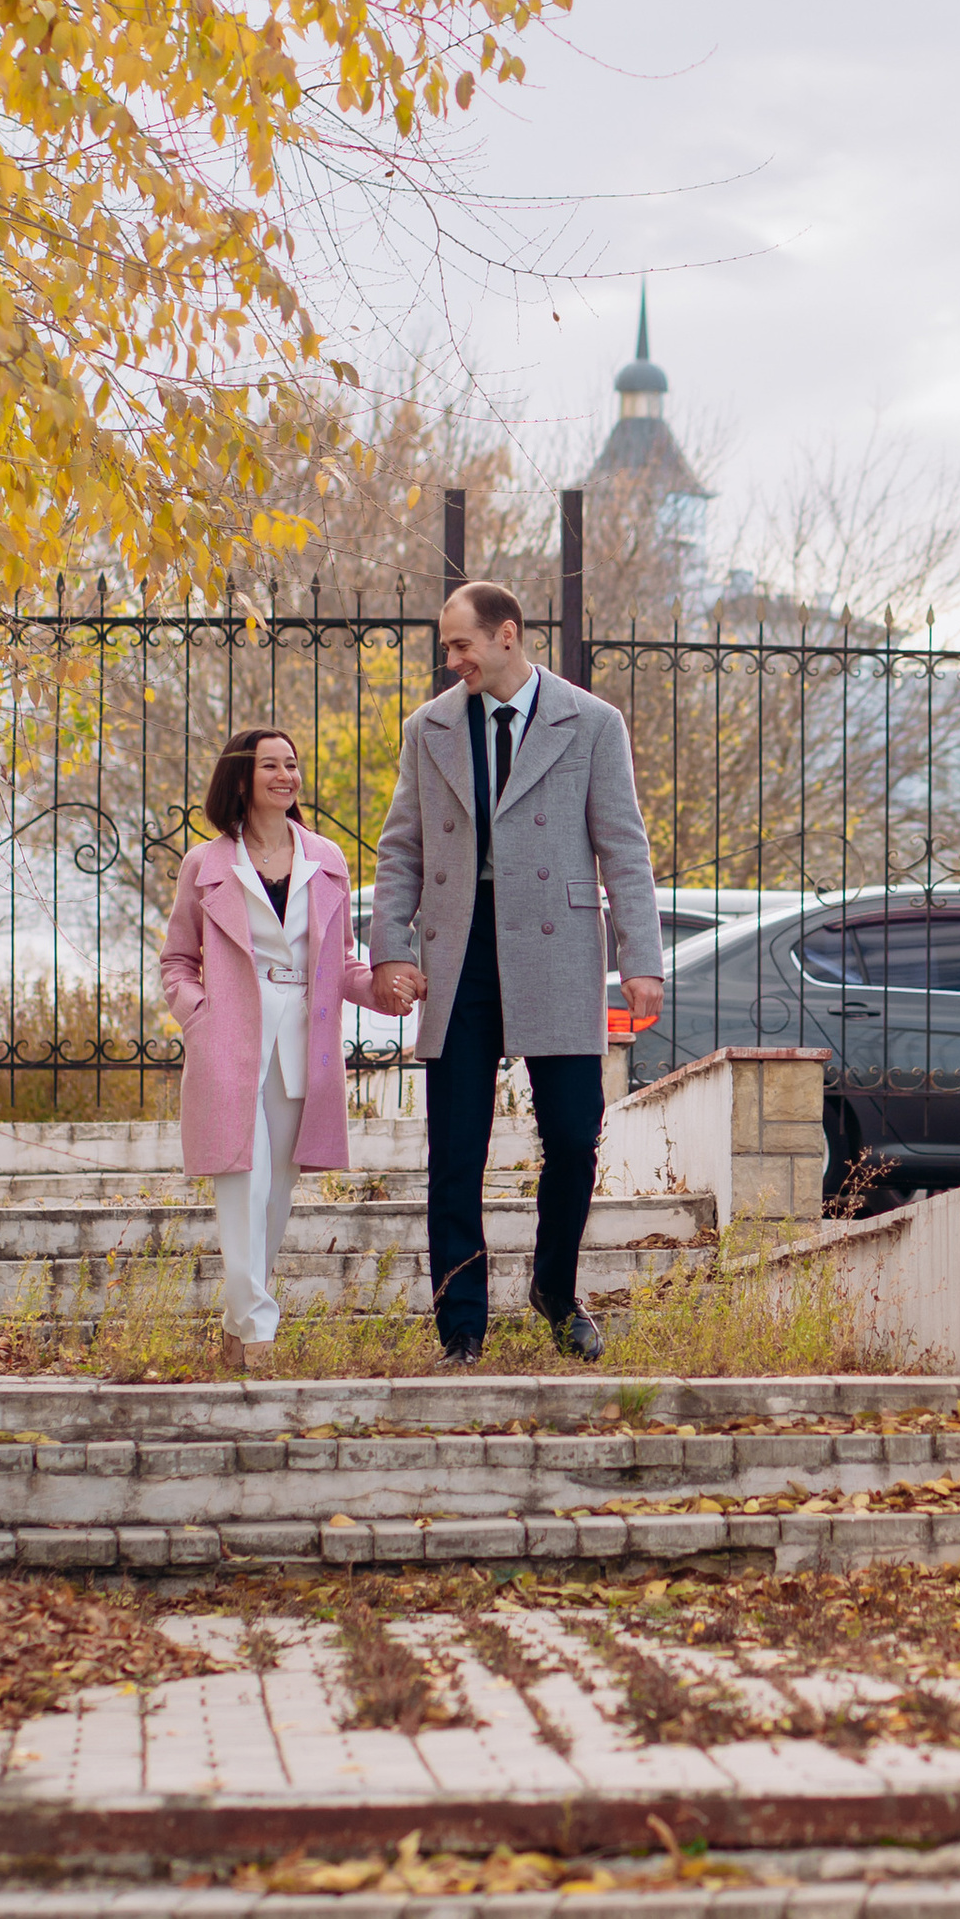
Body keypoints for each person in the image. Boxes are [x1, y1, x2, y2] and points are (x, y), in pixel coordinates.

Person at [368, 582, 663, 1362]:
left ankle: (556, 1289)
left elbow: (624, 849)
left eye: (461, 645)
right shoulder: (428, 728)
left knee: (574, 1134)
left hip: (558, 947)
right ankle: (461, 1326)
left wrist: (641, 961)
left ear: (508, 636)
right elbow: (402, 848)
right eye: (445, 648)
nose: (451, 660)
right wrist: (392, 950)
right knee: (456, 1149)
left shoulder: (592, 722)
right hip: (459, 952)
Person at [161, 727, 379, 1365]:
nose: (286, 775)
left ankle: (237, 1322)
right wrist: (197, 1014)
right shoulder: (205, 864)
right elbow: (177, 959)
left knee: (278, 1192)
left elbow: (341, 964)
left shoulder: (328, 859)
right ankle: (258, 1332)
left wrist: (387, 987)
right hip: (229, 1035)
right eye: (271, 766)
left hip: (302, 1040)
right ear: (242, 778)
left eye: (292, 765)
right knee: (242, 1182)